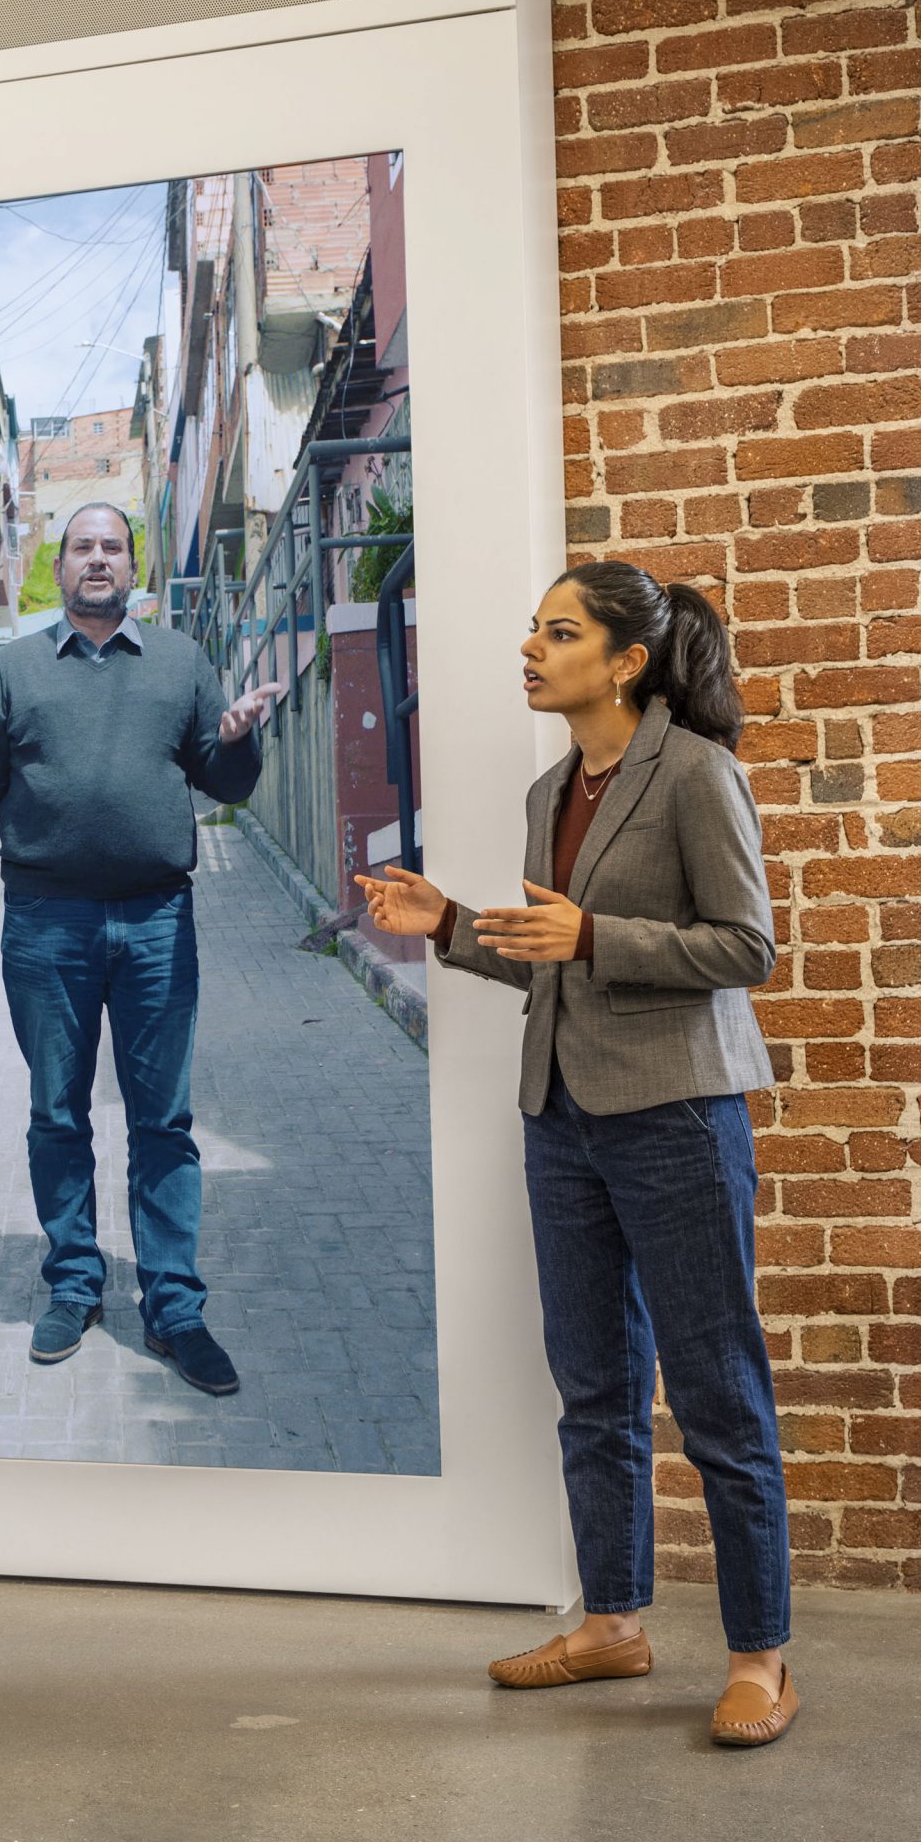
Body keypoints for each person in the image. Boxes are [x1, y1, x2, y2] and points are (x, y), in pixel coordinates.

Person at [357, 559, 795, 1747]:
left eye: (557, 633)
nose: (531, 650)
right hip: (562, 1117)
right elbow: (555, 956)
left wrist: (596, 931)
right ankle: (613, 1622)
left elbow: (746, 947)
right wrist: (447, 923)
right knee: (594, 1390)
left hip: (676, 1117)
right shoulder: (556, 787)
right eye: (532, 631)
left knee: (716, 1395)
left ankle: (760, 1657)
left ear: (626, 662)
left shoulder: (696, 773)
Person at [0, 503, 286, 1397]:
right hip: (46, 925)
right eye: (83, 548)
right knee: (57, 1113)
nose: (99, 560)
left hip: (157, 924)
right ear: (60, 569)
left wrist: (241, 739)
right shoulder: (15, 670)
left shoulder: (178, 660)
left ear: (134, 565)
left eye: (113, 547)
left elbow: (225, 783)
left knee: (162, 1120)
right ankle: (75, 1283)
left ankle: (173, 1307)